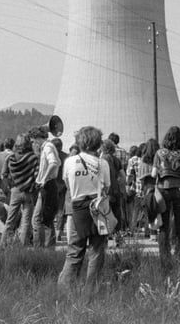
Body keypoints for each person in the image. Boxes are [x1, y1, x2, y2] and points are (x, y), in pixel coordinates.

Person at [58, 126, 111, 294]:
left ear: (80, 142)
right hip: (98, 210)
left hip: (77, 209)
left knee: (74, 251)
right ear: (98, 143)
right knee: (97, 250)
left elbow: (67, 184)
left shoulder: (69, 162)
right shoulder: (102, 163)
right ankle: (90, 290)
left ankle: (65, 291)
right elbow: (107, 187)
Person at [152, 126, 180, 263]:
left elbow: (153, 174)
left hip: (163, 190)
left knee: (164, 224)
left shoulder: (159, 153)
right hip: (179, 189)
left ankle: (164, 256)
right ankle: (179, 253)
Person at [29, 127, 61, 248]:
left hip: (46, 185)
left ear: (37, 138)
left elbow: (53, 162)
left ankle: (39, 247)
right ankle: (49, 247)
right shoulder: (49, 146)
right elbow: (58, 162)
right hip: (49, 184)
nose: (33, 144)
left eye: (33, 141)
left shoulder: (47, 147)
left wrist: (43, 178)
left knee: (37, 219)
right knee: (47, 218)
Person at [4, 133, 38, 246]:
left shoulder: (11, 157)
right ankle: (23, 245)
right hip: (29, 191)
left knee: (10, 219)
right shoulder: (33, 157)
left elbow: (3, 174)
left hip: (15, 190)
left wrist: (9, 186)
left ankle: (4, 243)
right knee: (26, 221)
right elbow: (36, 175)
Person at [100, 139, 126, 245]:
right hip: (116, 191)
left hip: (105, 192)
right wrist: (120, 188)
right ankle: (118, 240)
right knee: (116, 216)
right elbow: (123, 176)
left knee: (104, 215)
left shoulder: (101, 159)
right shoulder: (116, 160)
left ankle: (104, 241)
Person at [52, 138, 69, 243]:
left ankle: (52, 234)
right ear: (61, 146)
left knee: (50, 210)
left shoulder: (49, 156)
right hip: (63, 186)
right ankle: (58, 233)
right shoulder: (66, 157)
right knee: (60, 211)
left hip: (51, 186)